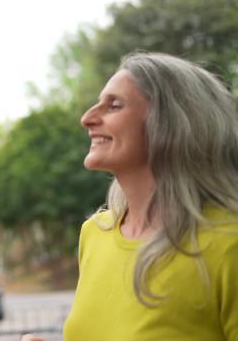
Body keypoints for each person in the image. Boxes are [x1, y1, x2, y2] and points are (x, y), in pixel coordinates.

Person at [22, 52, 238, 341]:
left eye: (113, 105)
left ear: (170, 124)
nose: (87, 118)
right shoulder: (94, 234)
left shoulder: (228, 244)